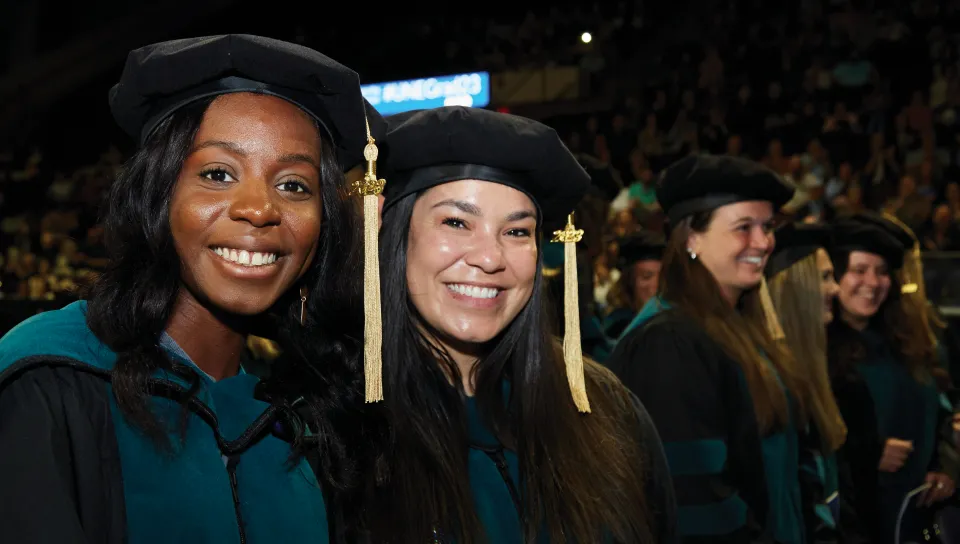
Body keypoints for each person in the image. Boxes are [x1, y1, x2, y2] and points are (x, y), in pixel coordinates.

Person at [0, 35, 375, 543]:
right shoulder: (49, 379)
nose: (259, 208)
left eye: (294, 185)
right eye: (218, 173)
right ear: (158, 194)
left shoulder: (302, 414)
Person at [340, 106, 677, 543]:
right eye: (457, 222)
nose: (490, 257)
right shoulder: (336, 432)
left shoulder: (607, 411)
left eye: (517, 232)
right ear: (396, 236)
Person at [608, 155, 809, 544]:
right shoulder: (669, 342)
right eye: (743, 228)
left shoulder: (737, 328)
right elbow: (695, 503)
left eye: (767, 227)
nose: (763, 242)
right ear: (692, 239)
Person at [827, 216, 956, 543]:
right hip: (858, 519)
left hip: (916, 512)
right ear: (834, 275)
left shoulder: (908, 340)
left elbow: (941, 410)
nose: (872, 281)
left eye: (882, 271)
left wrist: (946, 465)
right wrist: (867, 454)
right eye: (859, 269)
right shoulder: (818, 350)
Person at [765, 223, 852, 542]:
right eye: (825, 277)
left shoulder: (813, 365)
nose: (836, 289)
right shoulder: (777, 380)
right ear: (796, 288)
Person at [604, 231, 665, 341]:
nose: (657, 285)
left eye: (662, 277)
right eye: (646, 277)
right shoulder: (617, 327)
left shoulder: (678, 322)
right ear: (630, 282)